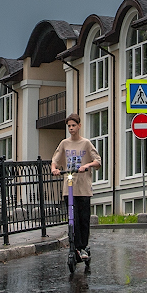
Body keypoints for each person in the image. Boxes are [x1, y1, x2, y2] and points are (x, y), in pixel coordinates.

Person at [50, 113, 100, 264]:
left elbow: (97, 161)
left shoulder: (86, 143)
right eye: (69, 126)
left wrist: (87, 165)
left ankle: (82, 247)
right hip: (69, 188)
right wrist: (54, 169)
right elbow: (55, 160)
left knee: (83, 219)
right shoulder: (64, 144)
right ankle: (75, 247)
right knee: (73, 220)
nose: (71, 129)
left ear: (79, 126)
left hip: (83, 188)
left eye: (73, 125)